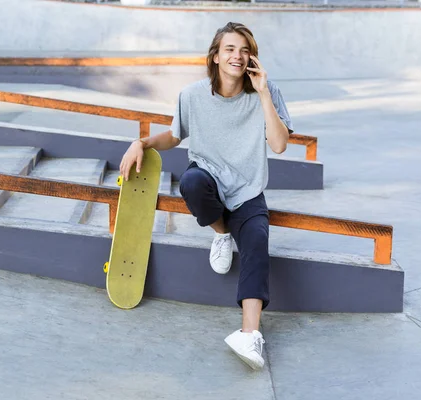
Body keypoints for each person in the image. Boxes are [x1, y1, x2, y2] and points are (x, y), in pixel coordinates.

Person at [119, 22, 293, 370]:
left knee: (257, 242)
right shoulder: (193, 95)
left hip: (248, 189)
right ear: (215, 57)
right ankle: (221, 232)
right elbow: (175, 135)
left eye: (245, 50)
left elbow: (279, 144)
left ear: (252, 58)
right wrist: (142, 142)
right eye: (230, 49)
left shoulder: (266, 90)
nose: (238, 56)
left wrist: (262, 94)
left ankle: (250, 334)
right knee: (192, 183)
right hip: (209, 179)